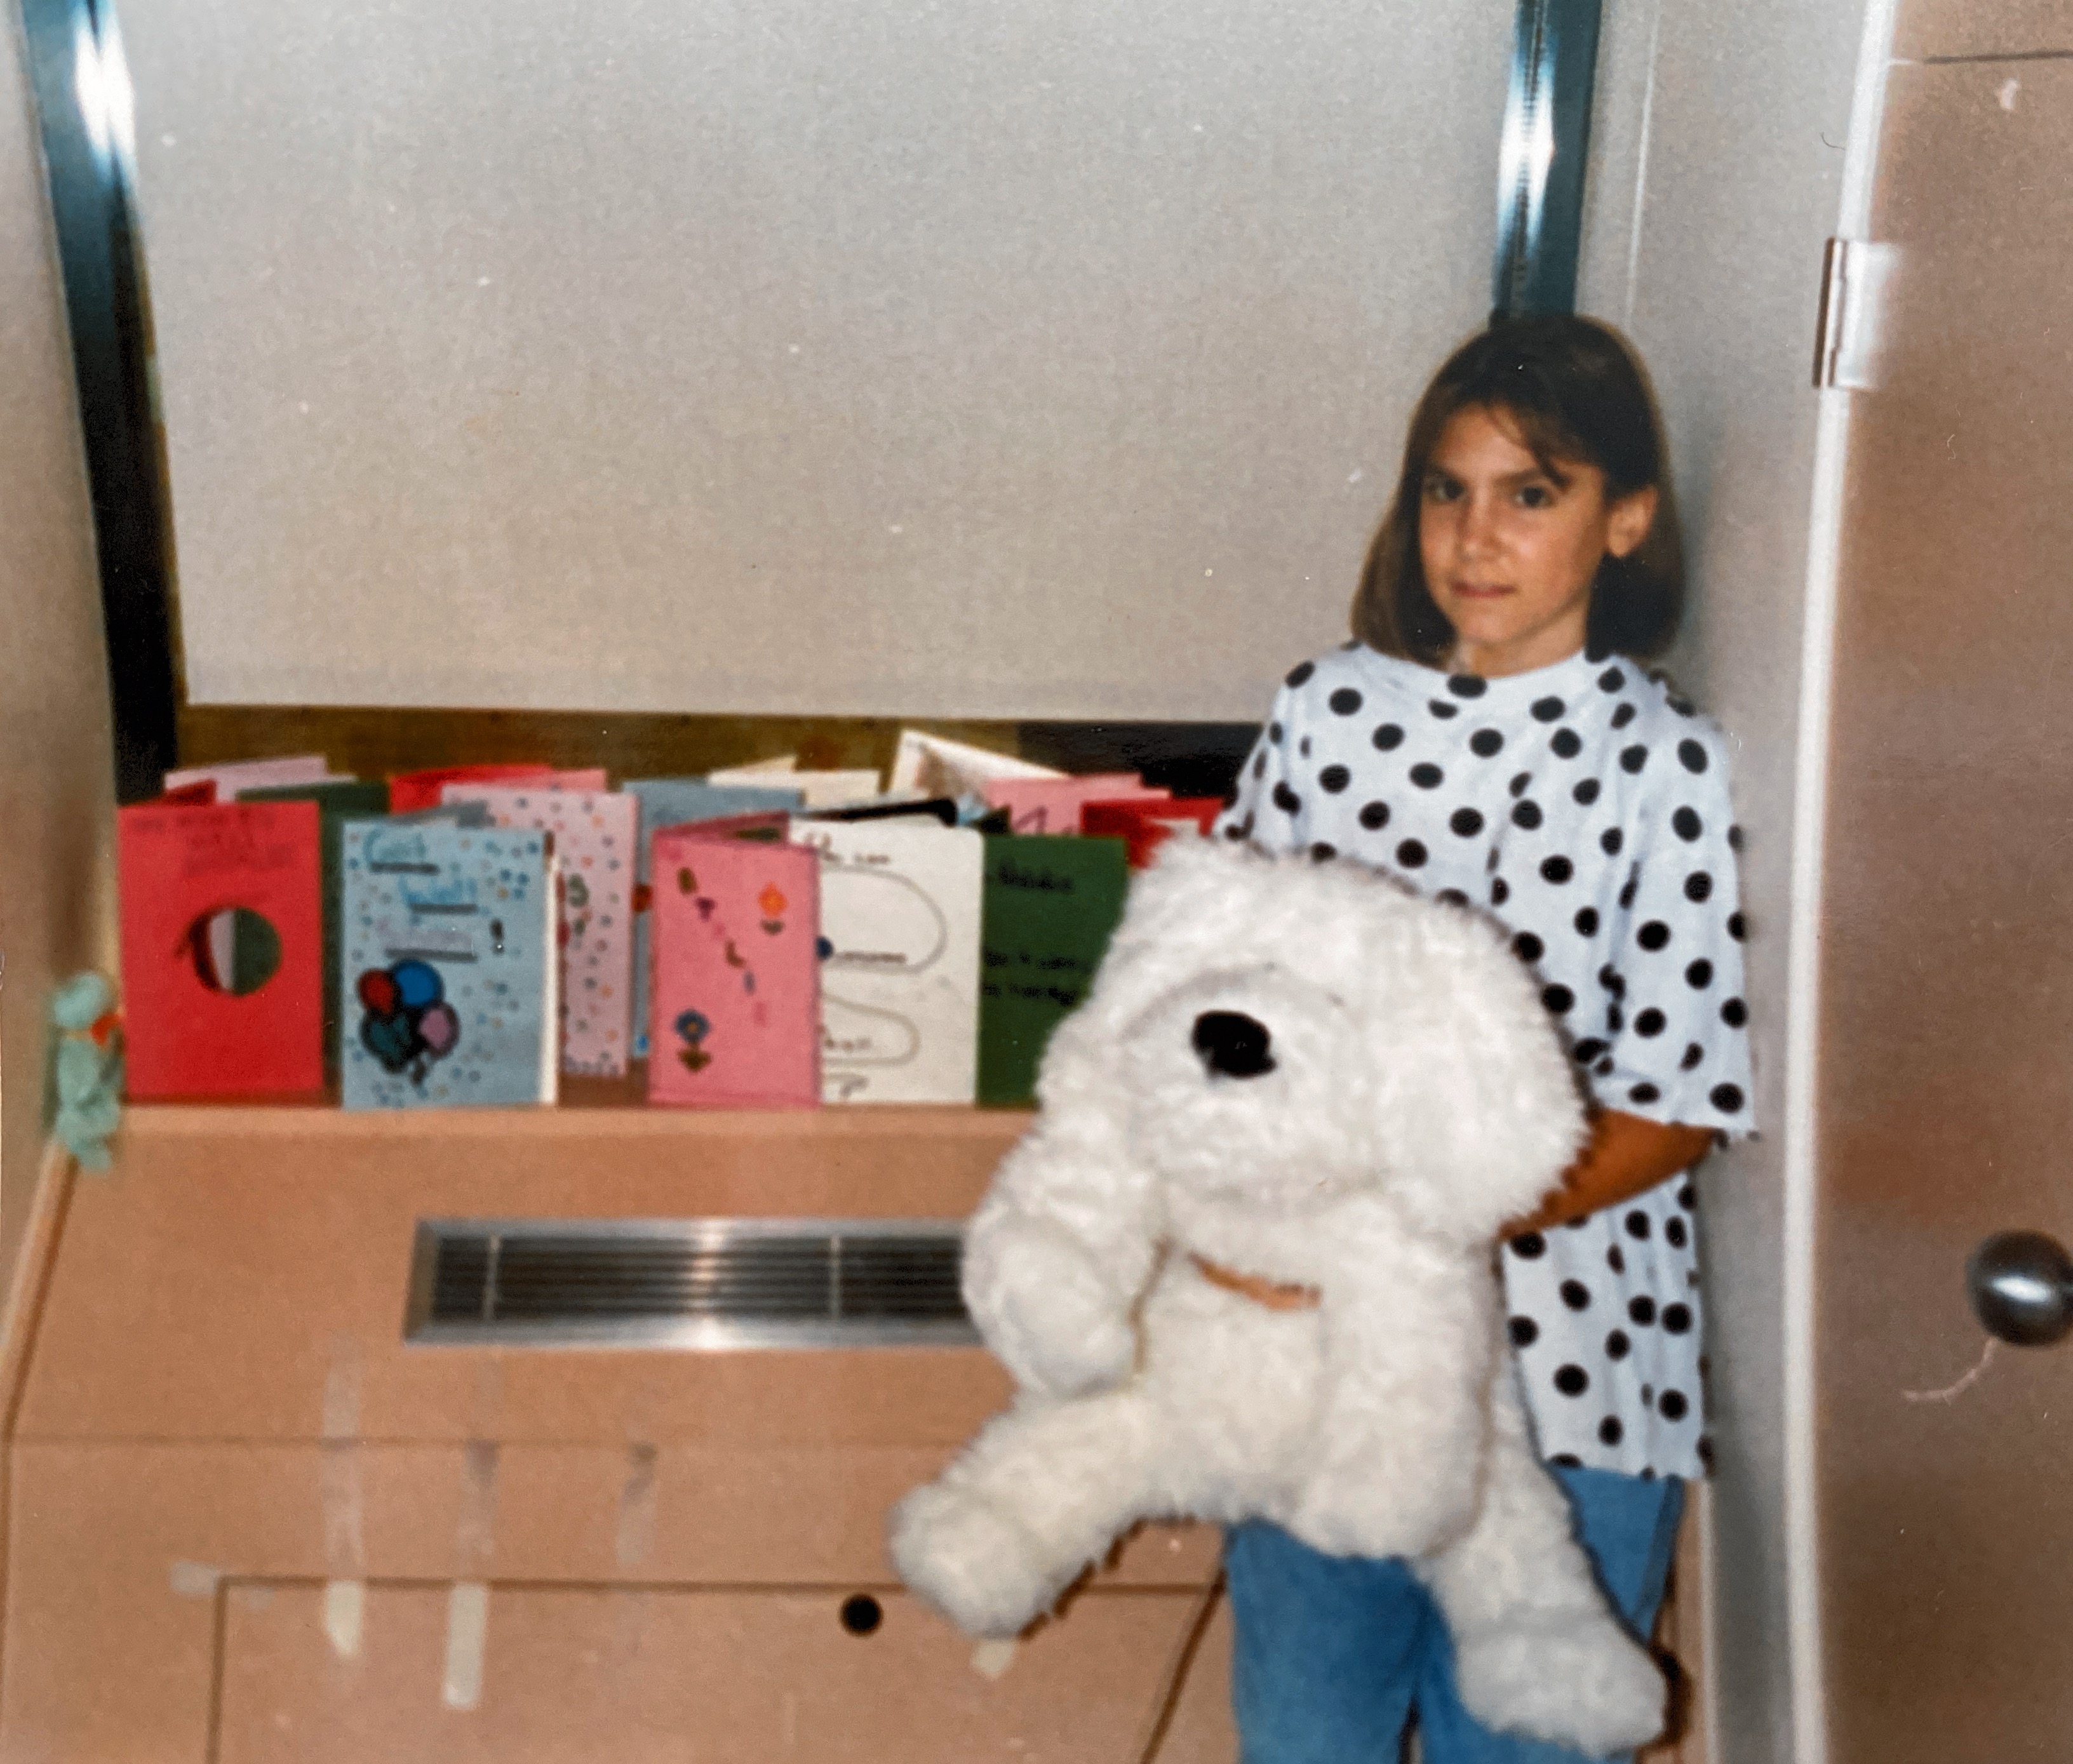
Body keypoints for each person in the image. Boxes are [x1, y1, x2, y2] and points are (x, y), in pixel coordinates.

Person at [1212, 312, 1754, 1764]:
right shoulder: (1328, 714)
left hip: (1573, 1364)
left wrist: (1434, 1217)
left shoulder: (1668, 764)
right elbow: (1211, 1016)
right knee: (1303, 1734)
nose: (1475, 535)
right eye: (1447, 490)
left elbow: (1680, 1097)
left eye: (1532, 493)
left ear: (1624, 519)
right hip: (1321, 1364)